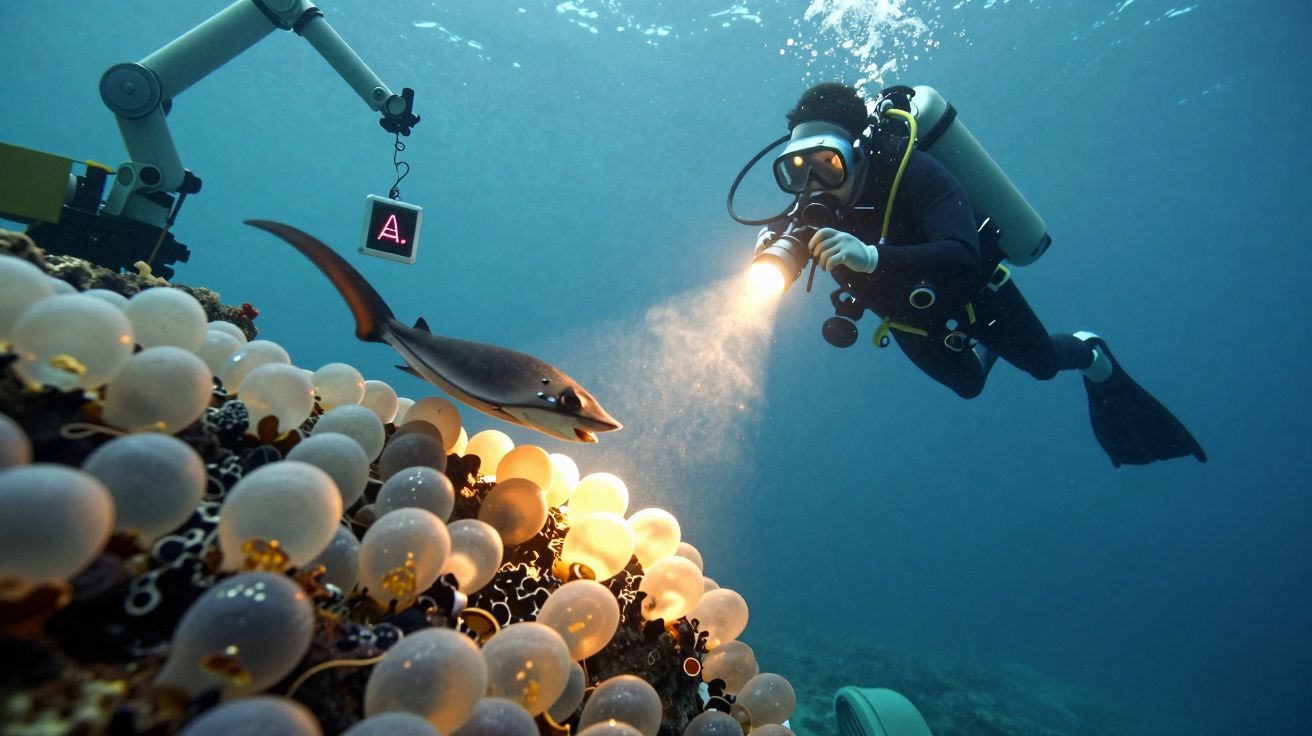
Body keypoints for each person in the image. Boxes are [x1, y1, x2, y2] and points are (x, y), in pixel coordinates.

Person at [756, 82, 1205, 467]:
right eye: (796, 170)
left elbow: (961, 253)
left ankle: (1091, 351)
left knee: (1044, 365)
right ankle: (989, 349)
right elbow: (791, 232)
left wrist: (873, 258)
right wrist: (775, 249)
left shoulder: (913, 172)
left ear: (855, 153)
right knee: (968, 385)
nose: (812, 183)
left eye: (826, 164)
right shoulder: (814, 204)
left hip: (975, 293)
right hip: (909, 317)